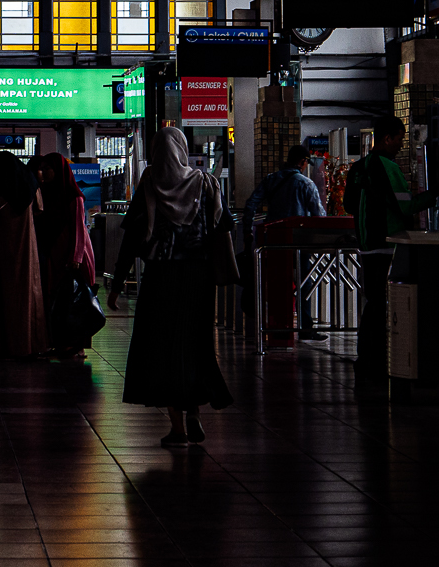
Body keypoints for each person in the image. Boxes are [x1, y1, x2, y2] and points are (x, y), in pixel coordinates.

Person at [114, 126, 237, 447]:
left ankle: (178, 428)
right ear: (183, 150)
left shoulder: (150, 184)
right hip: (198, 279)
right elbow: (225, 226)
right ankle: (195, 412)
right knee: (194, 344)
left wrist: (115, 283)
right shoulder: (205, 182)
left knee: (160, 349)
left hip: (160, 278)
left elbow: (130, 239)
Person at [353, 118, 439, 379]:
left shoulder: (359, 167)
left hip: (367, 243)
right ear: (387, 138)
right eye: (400, 139)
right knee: (383, 305)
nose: (402, 145)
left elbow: (349, 203)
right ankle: (378, 363)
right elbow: (406, 205)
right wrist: (436, 193)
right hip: (387, 243)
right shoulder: (388, 167)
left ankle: (366, 360)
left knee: (373, 304)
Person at [247, 145, 329, 342]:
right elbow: (319, 216)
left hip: (273, 242)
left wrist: (247, 233)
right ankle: (305, 327)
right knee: (304, 282)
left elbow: (251, 204)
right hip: (299, 241)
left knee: (277, 282)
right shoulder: (306, 184)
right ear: (302, 162)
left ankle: (276, 325)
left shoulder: (271, 179)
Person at [0, 151, 46, 358]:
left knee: (3, 292)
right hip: (27, 247)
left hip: (2, 248)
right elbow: (40, 210)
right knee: (28, 292)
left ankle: (2, 343)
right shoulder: (31, 184)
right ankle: (28, 343)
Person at [34, 155, 99, 357]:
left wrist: (76, 258)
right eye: (42, 169)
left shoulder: (74, 197)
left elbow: (79, 229)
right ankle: (60, 341)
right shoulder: (45, 194)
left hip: (73, 254)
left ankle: (76, 344)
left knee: (76, 300)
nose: (44, 173)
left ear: (59, 171)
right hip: (55, 253)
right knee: (58, 299)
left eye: (48, 168)